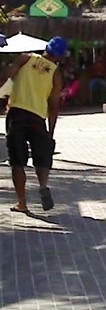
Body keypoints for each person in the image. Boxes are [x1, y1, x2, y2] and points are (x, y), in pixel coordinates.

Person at [3, 37, 65, 212]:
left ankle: (22, 204)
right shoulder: (55, 73)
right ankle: (43, 185)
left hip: (17, 114)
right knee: (42, 156)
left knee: (17, 162)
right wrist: (50, 132)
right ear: (60, 56)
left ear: (46, 48)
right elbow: (54, 105)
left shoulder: (25, 58)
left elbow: (6, 75)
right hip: (38, 118)